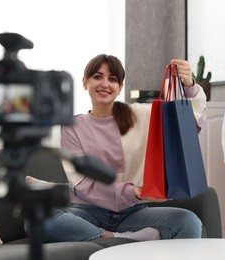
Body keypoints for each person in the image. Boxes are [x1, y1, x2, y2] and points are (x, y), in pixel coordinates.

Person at [42, 54, 207, 242]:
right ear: (84, 82)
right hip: (87, 212)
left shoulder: (139, 114)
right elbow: (83, 186)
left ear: (120, 87)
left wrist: (189, 86)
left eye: (112, 79)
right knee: (40, 218)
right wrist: (133, 191)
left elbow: (189, 123)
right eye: (97, 76)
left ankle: (106, 239)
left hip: (133, 212)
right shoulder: (72, 126)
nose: (105, 84)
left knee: (189, 221)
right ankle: (117, 237)